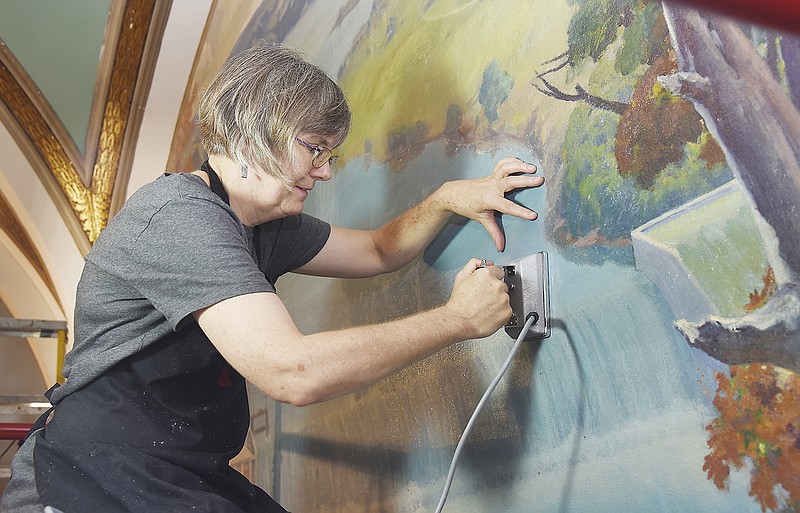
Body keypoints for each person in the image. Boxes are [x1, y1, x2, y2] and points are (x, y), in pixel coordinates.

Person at [1, 42, 544, 512]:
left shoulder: (265, 226)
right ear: (252, 134)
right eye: (313, 148)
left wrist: (448, 198)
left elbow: (379, 250)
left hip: (174, 473)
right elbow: (293, 373)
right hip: (90, 479)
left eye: (331, 154)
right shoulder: (179, 217)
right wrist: (455, 320)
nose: (326, 170)